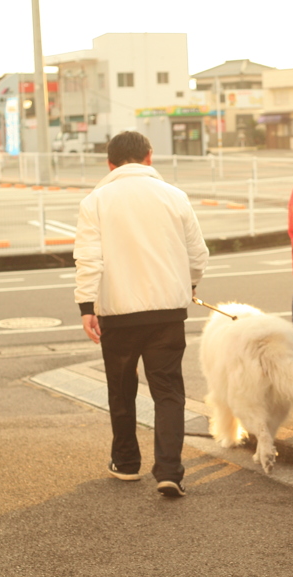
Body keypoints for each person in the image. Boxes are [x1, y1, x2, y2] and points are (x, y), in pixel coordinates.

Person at [73, 131, 209, 497]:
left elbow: (88, 259)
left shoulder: (96, 201)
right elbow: (198, 254)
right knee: (167, 390)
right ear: (149, 157)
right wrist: (190, 286)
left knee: (121, 388)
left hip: (117, 313)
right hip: (168, 312)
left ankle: (126, 462)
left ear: (110, 163)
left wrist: (87, 307)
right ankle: (170, 470)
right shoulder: (175, 196)